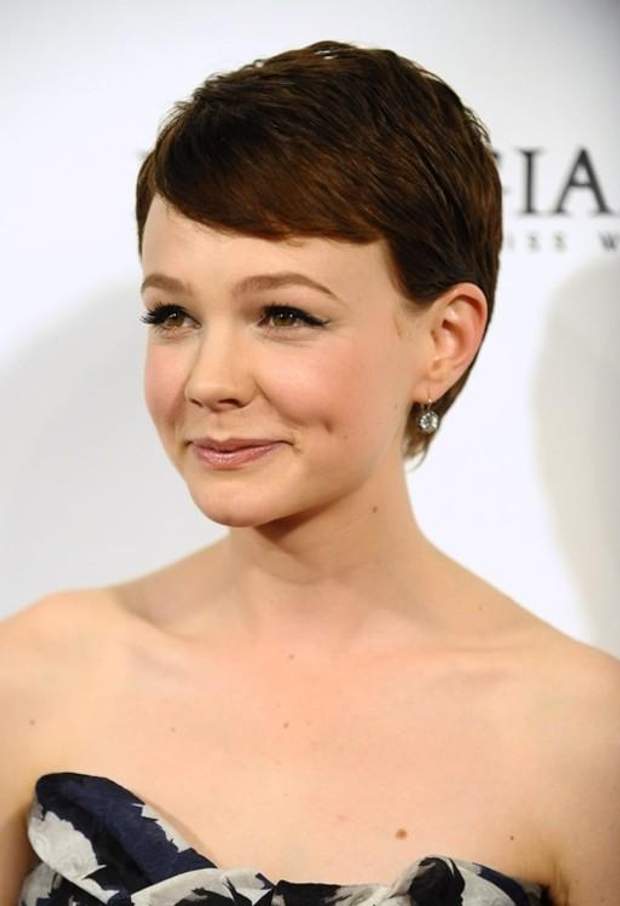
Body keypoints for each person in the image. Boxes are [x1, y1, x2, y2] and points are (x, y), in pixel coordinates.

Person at [3, 39, 618, 906]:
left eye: (285, 314)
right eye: (172, 314)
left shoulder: (588, 741)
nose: (209, 380)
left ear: (443, 342)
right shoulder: (34, 677)